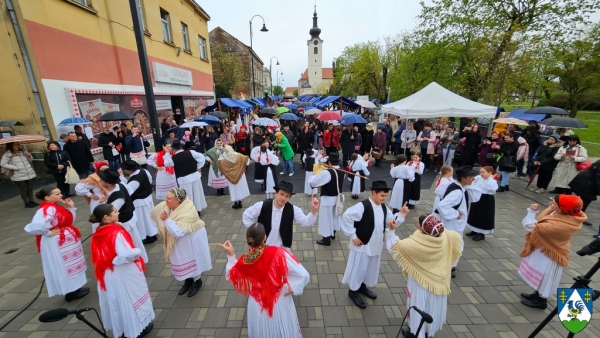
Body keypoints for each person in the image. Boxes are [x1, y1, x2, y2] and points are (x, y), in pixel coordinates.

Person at [218, 223, 309, 338]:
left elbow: (231, 273)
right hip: (279, 298)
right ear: (265, 237)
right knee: (282, 325)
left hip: (257, 303)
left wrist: (231, 254)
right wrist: (293, 287)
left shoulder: (245, 260)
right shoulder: (279, 253)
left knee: (261, 329)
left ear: (249, 240)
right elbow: (303, 274)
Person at [387, 212, 462, 338]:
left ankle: (416, 333)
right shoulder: (446, 236)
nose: (416, 224)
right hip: (438, 282)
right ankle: (427, 331)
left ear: (422, 229)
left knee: (419, 306)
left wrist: (391, 230)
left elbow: (394, 246)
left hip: (420, 282)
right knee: (431, 307)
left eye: (418, 224)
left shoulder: (415, 245)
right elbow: (457, 244)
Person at [89, 204, 154, 338]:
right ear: (107, 217)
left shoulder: (99, 231)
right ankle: (136, 329)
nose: (118, 213)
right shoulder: (115, 232)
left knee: (116, 302)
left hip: (107, 273)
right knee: (129, 299)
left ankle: (123, 328)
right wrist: (137, 252)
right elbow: (125, 254)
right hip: (122, 272)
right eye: (115, 211)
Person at [518, 196, 586, 309]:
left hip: (551, 254)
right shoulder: (566, 215)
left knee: (546, 276)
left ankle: (541, 301)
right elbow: (541, 220)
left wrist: (532, 212)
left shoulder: (557, 225)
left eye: (553, 203)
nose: (550, 203)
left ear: (561, 208)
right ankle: (537, 294)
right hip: (548, 250)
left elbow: (529, 226)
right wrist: (552, 208)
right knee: (542, 274)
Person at [24, 187, 88, 301]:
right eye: (57, 194)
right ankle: (70, 291)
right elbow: (36, 226)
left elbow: (68, 221)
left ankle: (75, 288)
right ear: (47, 197)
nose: (61, 195)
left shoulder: (55, 206)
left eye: (60, 193)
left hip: (65, 242)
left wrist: (71, 208)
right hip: (58, 243)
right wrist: (48, 232)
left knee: (70, 264)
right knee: (64, 265)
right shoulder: (47, 209)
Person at [341, 181, 395, 309]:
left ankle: (362, 286)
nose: (384, 198)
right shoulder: (362, 206)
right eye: (382, 195)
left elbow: (390, 221)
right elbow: (346, 217)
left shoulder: (383, 207)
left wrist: (401, 215)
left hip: (375, 243)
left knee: (369, 267)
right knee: (359, 267)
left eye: (386, 196)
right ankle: (353, 291)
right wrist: (353, 236)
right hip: (362, 244)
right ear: (374, 193)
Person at [151, 188, 212, 297]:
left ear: (178, 201)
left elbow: (178, 232)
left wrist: (166, 220)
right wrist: (161, 225)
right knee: (181, 259)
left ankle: (197, 282)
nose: (166, 200)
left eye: (169, 198)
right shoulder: (166, 206)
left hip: (190, 240)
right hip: (177, 242)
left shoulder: (189, 210)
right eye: (166, 197)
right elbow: (155, 215)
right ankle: (188, 281)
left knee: (192, 259)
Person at [243, 181, 319, 250]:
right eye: (281, 194)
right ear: (276, 193)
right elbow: (246, 216)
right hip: (263, 248)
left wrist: (314, 211)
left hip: (282, 249)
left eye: (287, 196)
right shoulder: (262, 206)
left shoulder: (293, 210)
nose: (283, 198)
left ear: (289, 197)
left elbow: (306, 222)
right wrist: (256, 231)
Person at [433, 166, 479, 278]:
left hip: (454, 223)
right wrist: (455, 214)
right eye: (471, 177)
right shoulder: (457, 192)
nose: (473, 178)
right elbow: (442, 206)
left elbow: (475, 197)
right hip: (453, 223)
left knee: (451, 243)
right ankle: (448, 266)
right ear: (463, 179)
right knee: (453, 244)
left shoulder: (460, 187)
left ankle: (449, 265)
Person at [97, 168, 148, 263]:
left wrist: (101, 203)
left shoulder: (118, 198)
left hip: (124, 223)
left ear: (107, 183)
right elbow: (129, 192)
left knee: (129, 243)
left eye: (101, 180)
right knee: (134, 241)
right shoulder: (118, 185)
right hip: (128, 218)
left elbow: (109, 215)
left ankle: (137, 261)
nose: (99, 181)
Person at [309, 152, 344, 246]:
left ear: (329, 162)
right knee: (334, 216)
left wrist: (312, 176)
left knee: (325, 218)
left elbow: (314, 182)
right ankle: (333, 233)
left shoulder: (327, 172)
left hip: (328, 198)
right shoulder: (341, 170)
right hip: (337, 198)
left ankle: (326, 238)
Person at [119, 160, 157, 244]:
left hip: (139, 202)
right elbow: (150, 180)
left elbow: (128, 191)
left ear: (128, 170)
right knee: (149, 218)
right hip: (147, 198)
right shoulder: (144, 171)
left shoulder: (134, 180)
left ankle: (146, 236)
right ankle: (152, 234)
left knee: (142, 220)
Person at [171, 141, 207, 215]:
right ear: (181, 146)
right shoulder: (191, 152)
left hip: (184, 179)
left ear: (173, 149)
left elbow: (166, 164)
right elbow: (201, 157)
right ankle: (198, 210)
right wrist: (199, 166)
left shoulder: (173, 158)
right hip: (194, 176)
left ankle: (190, 211)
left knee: (188, 196)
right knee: (196, 193)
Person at [465, 166, 498, 241]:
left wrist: (491, 178)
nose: (481, 174)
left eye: (483, 172)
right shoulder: (479, 178)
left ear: (490, 173)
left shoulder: (492, 181)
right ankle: (474, 230)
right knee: (474, 214)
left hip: (486, 199)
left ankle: (481, 233)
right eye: (480, 172)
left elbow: (493, 189)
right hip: (477, 197)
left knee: (483, 216)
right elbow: (473, 181)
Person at [2, 141, 38, 208]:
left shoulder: (23, 151)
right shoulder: (8, 154)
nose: (17, 146)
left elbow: (30, 160)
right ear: (10, 145)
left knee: (30, 188)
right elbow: (3, 164)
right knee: (24, 189)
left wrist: (30, 156)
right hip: (18, 175)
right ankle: (26, 203)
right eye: (15, 145)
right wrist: (15, 167)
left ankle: (31, 201)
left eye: (18, 144)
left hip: (29, 173)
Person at [75, 161, 109, 231]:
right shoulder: (93, 179)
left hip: (109, 199)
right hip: (98, 201)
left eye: (107, 168)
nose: (105, 171)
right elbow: (78, 188)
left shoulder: (111, 176)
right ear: (98, 170)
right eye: (102, 169)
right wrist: (90, 195)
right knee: (100, 219)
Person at [568, 159, 600, 231]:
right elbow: (599, 178)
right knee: (584, 200)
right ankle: (577, 217)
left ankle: (574, 214)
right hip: (587, 183)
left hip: (586, 180)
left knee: (582, 200)